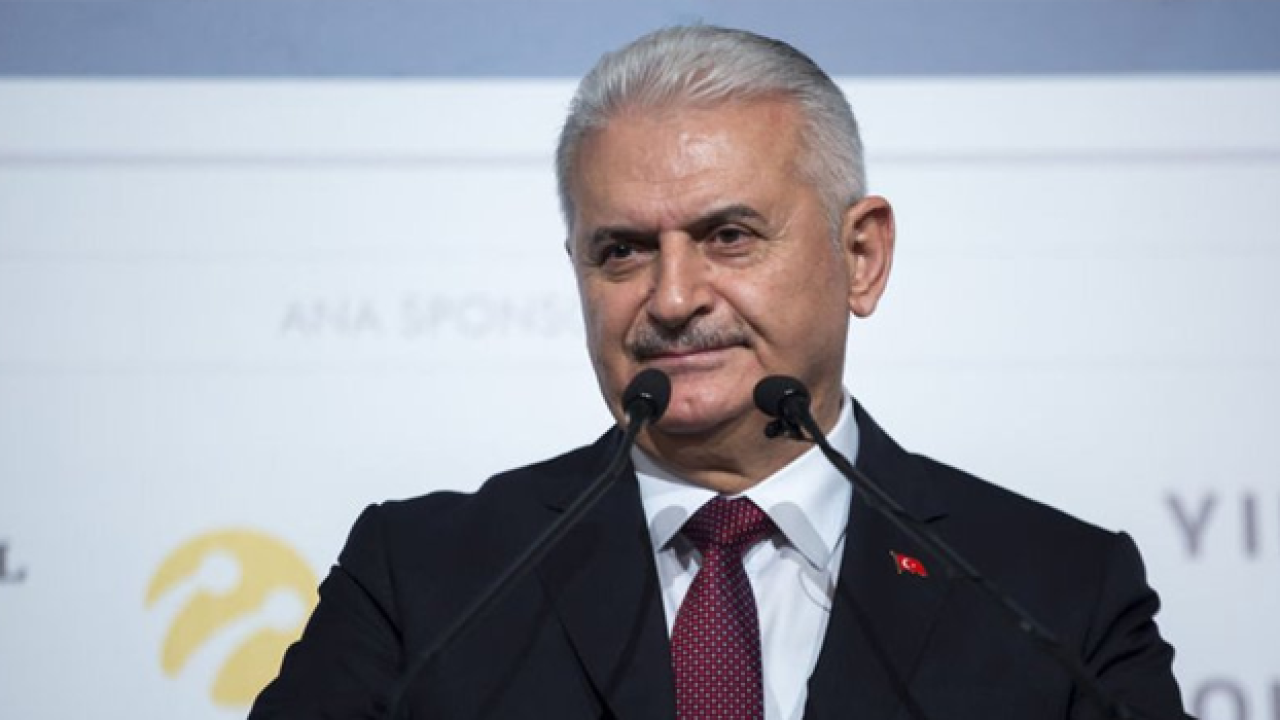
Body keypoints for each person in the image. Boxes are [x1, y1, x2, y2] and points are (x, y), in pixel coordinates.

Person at [249, 26, 1190, 720]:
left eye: (729, 236)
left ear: (861, 256)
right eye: (621, 251)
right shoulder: (425, 580)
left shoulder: (1055, 593)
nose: (671, 298)